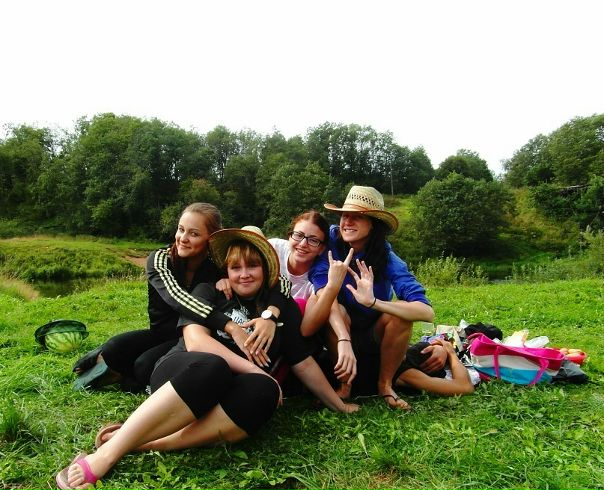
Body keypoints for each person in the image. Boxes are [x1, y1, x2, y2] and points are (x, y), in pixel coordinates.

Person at [56, 226, 358, 490]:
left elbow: (302, 362)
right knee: (216, 367)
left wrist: (338, 404)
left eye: (252, 266)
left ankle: (150, 443)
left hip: (227, 398)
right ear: (226, 271)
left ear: (266, 269)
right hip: (186, 374)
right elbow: (195, 341)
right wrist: (255, 370)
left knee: (264, 391)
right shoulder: (209, 291)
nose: (244, 274)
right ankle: (105, 455)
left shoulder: (280, 308)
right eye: (235, 267)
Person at [72, 203, 289, 392]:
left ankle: (126, 377)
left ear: (210, 239)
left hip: (192, 335)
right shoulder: (160, 259)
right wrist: (230, 326)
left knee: (143, 366)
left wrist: (271, 315)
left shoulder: (216, 265)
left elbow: (280, 282)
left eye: (194, 234)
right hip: (161, 333)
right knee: (114, 348)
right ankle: (103, 359)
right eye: (180, 229)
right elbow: (178, 298)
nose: (183, 239)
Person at [308, 185, 435, 410]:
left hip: (372, 334)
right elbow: (321, 291)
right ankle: (344, 386)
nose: (347, 222)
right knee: (330, 304)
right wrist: (344, 339)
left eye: (357, 217)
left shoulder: (386, 257)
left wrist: (374, 302)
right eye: (345, 215)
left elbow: (426, 312)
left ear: (373, 224)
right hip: (336, 332)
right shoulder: (330, 242)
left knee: (400, 313)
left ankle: (385, 385)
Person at [395, 338, 476, 396]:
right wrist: (451, 354)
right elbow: (465, 387)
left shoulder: (403, 354)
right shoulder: (404, 372)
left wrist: (440, 348)